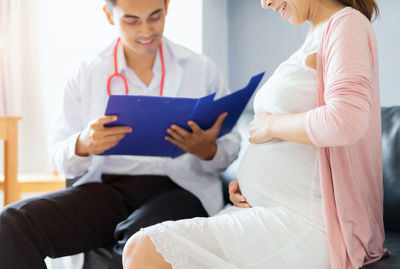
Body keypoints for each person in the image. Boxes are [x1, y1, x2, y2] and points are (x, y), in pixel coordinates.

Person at [122, 0, 389, 268]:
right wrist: (251, 186)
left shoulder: (346, 24)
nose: (265, 3)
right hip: (267, 210)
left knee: (142, 249)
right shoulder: (316, 33)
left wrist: (271, 125)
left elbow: (346, 120)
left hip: (305, 222)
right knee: (139, 249)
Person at [0, 0, 240, 268]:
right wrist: (83, 143)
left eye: (155, 17)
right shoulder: (87, 72)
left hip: (181, 187)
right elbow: (57, 154)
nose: (146, 30)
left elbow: (229, 147)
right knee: (11, 221)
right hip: (109, 189)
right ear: (108, 15)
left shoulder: (201, 69)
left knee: (137, 242)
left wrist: (208, 150)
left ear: (167, 7)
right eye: (131, 20)